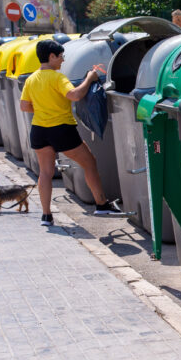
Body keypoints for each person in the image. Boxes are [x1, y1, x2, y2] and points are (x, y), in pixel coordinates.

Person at [19, 39, 123, 226]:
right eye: (60, 56)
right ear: (51, 57)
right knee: (89, 163)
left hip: (39, 130)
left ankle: (46, 216)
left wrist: (45, 108)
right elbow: (74, 95)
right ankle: (101, 204)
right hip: (61, 129)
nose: (62, 60)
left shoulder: (31, 79)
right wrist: (90, 78)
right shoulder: (58, 78)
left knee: (45, 173)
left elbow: (24, 106)